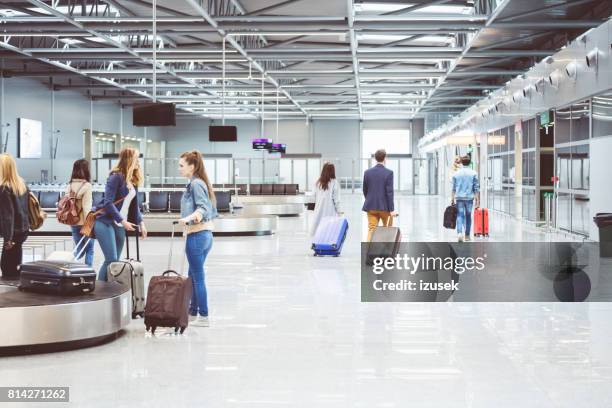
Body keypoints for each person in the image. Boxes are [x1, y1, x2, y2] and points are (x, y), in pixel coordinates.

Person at [177, 150, 218, 328]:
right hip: (204, 235)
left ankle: (203, 316)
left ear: (192, 166)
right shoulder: (197, 183)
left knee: (198, 277)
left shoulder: (196, 184)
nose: (179, 169)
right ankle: (192, 311)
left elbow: (203, 208)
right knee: (192, 276)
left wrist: (188, 219)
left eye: (181, 165)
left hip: (197, 235)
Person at [94, 147, 147, 281]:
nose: (138, 161)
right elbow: (108, 203)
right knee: (111, 259)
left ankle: (109, 290)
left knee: (115, 262)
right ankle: (100, 289)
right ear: (129, 159)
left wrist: (141, 223)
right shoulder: (115, 177)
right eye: (136, 158)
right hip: (105, 222)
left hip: (119, 224)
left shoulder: (133, 180)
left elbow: (135, 206)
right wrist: (123, 221)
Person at [0, 153, 30, 280]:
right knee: (16, 265)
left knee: (7, 268)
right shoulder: (21, 184)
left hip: (12, 233)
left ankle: (9, 297)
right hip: (22, 230)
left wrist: (8, 239)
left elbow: (8, 216)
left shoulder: (4, 188)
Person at [362, 149, 397, 241]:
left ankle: (367, 252)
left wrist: (370, 200)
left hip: (371, 207)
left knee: (371, 229)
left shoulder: (367, 172)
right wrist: (392, 209)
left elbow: (365, 190)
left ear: (375, 158)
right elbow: (389, 192)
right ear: (385, 158)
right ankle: (385, 252)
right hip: (384, 208)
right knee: (386, 230)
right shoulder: (389, 173)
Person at [66, 159, 95, 266]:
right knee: (90, 249)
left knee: (79, 249)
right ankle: (88, 272)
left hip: (73, 222)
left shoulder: (69, 186)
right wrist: (91, 224)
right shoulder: (87, 186)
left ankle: (72, 267)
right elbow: (87, 208)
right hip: (85, 223)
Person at [451, 155, 480, 242]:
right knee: (468, 216)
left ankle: (459, 233)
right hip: (469, 198)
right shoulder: (473, 173)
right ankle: (467, 235)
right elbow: (476, 188)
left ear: (462, 162)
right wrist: (477, 199)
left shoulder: (456, 174)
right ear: (469, 162)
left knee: (459, 215)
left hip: (459, 197)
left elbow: (453, 188)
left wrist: (452, 198)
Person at [310, 163, 342, 236]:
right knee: (329, 233)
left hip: (318, 211)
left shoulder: (318, 183)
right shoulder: (334, 183)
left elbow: (313, 197)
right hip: (330, 211)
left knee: (319, 232)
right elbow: (336, 200)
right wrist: (340, 212)